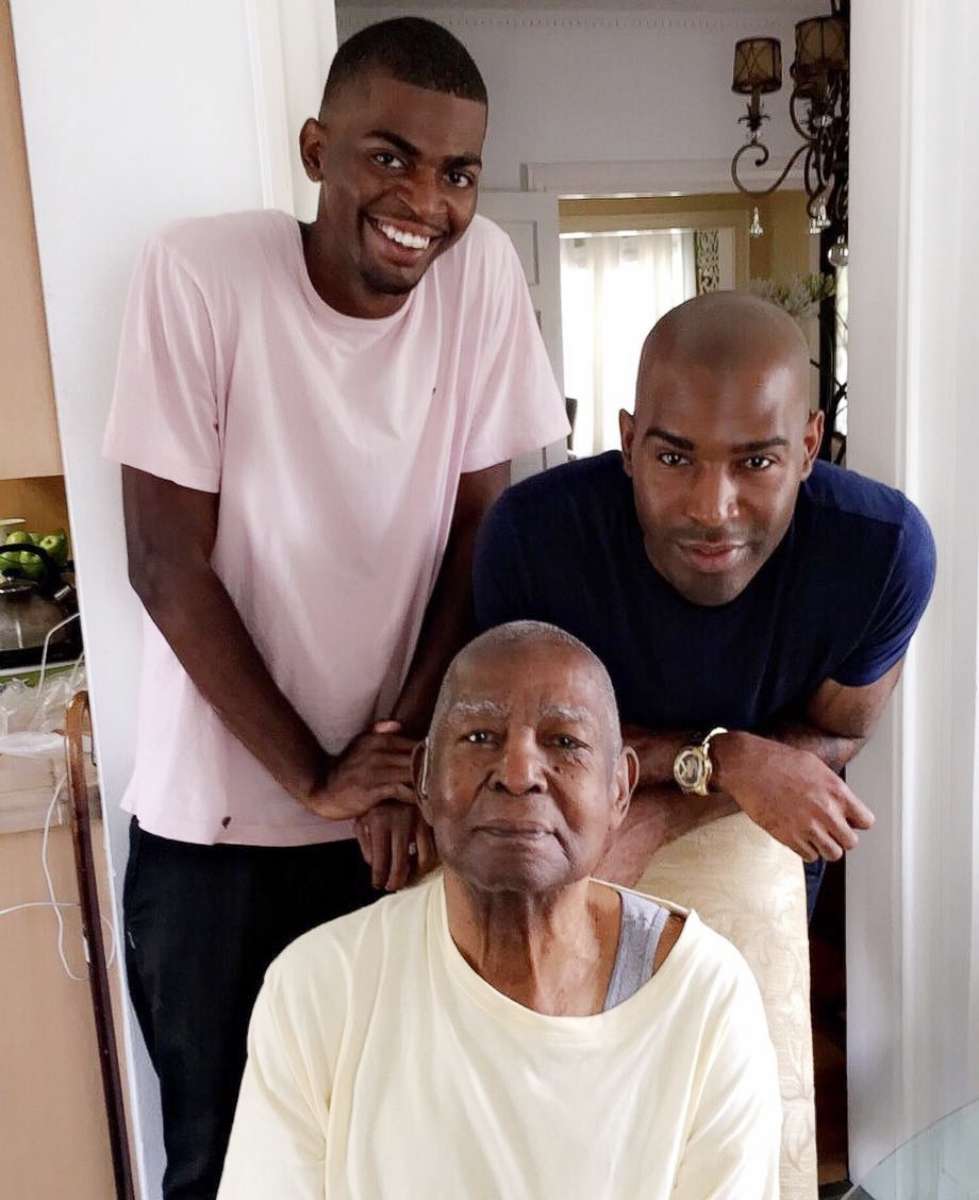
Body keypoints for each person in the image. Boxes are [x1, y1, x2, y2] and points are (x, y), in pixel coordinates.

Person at [103, 17, 568, 1198]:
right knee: (223, 1162)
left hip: (393, 829)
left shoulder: (481, 283)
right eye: (390, 155)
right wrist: (313, 774)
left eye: (457, 171)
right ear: (317, 148)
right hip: (213, 842)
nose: (425, 198)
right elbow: (165, 561)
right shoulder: (200, 274)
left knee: (392, 1150)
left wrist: (398, 758)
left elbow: (480, 536)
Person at [473, 292, 936, 1198]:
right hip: (577, 818)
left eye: (755, 461)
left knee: (729, 1106)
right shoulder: (532, 537)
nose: (710, 508)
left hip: (751, 831)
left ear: (807, 446)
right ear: (625, 439)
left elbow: (833, 739)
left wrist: (682, 788)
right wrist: (720, 756)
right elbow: (522, 747)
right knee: (551, 1103)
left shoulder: (879, 552)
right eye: (673, 457)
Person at [217, 621, 782, 1200]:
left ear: (619, 792)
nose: (518, 774)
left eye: (564, 742)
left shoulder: (705, 998)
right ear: (424, 782)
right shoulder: (319, 989)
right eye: (481, 736)